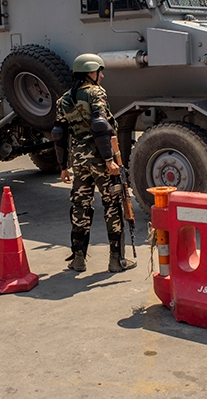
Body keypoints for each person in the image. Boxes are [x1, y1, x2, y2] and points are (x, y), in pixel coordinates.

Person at [53, 53, 136, 274]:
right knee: (112, 205)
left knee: (81, 206)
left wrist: (63, 166)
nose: (102, 75)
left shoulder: (64, 99)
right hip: (101, 158)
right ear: (91, 72)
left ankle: (78, 259)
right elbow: (100, 124)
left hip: (79, 159)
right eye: (100, 71)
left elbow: (58, 133)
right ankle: (116, 260)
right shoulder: (95, 93)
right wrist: (109, 160)